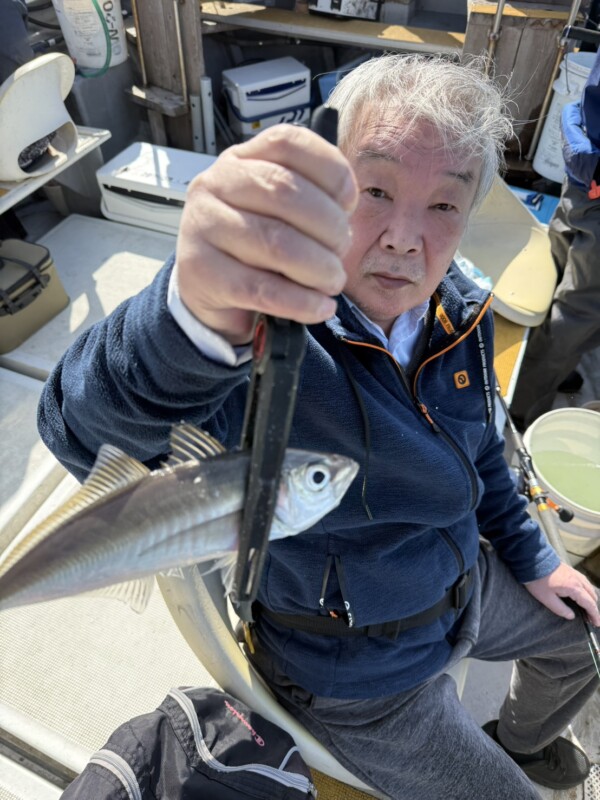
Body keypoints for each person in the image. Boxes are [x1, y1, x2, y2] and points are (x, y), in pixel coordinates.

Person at [38, 54, 600, 800]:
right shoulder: (270, 337)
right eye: (375, 189)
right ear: (326, 187)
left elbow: (487, 461)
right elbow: (81, 426)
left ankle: (522, 744)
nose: (405, 236)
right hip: (364, 679)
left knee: (584, 643)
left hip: (462, 584)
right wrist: (188, 317)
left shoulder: (459, 310)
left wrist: (535, 559)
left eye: (443, 206)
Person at [510, 48, 600, 429]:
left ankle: (533, 375)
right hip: (588, 167)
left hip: (584, 158)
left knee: (557, 266)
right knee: (576, 310)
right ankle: (519, 409)